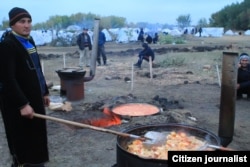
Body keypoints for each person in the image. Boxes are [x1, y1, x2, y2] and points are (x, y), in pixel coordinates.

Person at [0, 7, 50, 167]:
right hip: (17, 103)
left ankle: (37, 163)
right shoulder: (8, 45)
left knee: (37, 138)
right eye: (22, 21)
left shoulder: (29, 41)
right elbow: (7, 79)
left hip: (34, 98)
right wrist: (22, 104)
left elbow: (36, 68)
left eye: (29, 21)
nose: (27, 25)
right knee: (22, 141)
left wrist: (44, 91)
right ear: (13, 24)